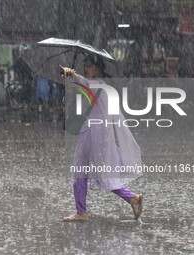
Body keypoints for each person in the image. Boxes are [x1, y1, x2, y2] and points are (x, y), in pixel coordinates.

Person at [60, 55, 143, 222]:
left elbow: (84, 85)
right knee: (102, 173)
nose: (87, 68)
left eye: (90, 66)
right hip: (98, 134)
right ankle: (132, 198)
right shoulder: (103, 87)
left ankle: (81, 212)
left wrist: (71, 74)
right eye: (86, 65)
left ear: (98, 69)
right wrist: (71, 86)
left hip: (90, 133)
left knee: (80, 170)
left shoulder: (96, 85)